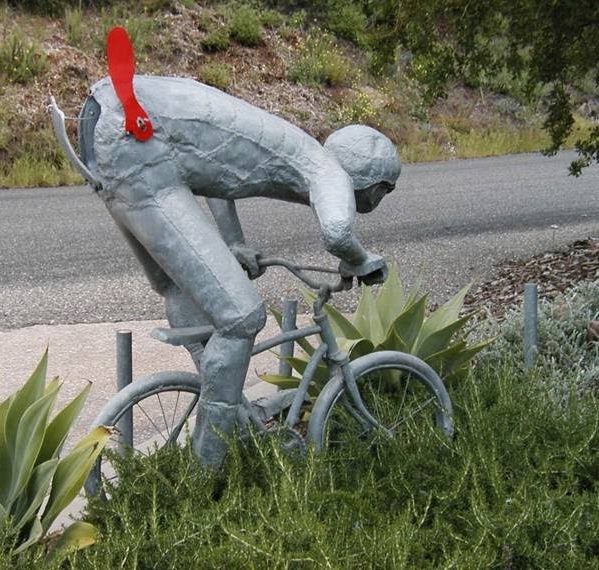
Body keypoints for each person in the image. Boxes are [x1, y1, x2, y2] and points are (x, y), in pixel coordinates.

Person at [55, 75, 400, 467]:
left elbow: (219, 179)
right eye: (384, 192)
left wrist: (234, 242)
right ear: (377, 185)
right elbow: (337, 233)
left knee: (176, 286)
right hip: (137, 138)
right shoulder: (328, 171)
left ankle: (225, 405)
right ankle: (208, 472)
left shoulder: (296, 143)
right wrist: (361, 260)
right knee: (241, 318)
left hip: (105, 128)